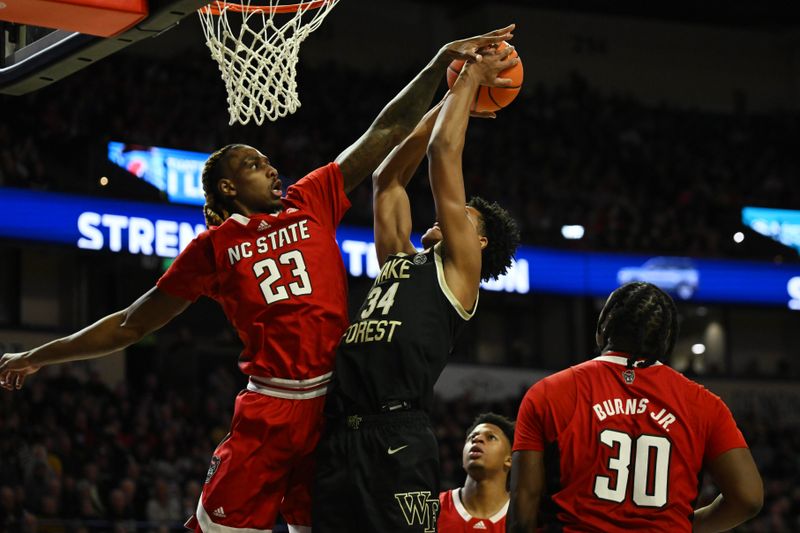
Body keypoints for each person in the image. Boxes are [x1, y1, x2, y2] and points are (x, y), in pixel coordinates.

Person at [0, 25, 517, 533]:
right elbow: (130, 325)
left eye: (268, 161)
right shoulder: (212, 249)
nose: (272, 169)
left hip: (335, 414)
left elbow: (380, 137)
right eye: (255, 164)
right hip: (272, 407)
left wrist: (437, 71)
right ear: (227, 187)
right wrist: (38, 355)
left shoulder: (309, 200)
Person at [312, 43, 521, 532]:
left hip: (398, 436)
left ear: (479, 239)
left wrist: (468, 80)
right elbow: (387, 180)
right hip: (341, 430)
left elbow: (443, 153)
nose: (447, 212)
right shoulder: (402, 261)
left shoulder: (460, 272)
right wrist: (449, 100)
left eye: (463, 213)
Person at [508, 281, 764, 533]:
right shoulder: (705, 404)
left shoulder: (549, 392)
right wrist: (687, 526)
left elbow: (523, 515)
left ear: (602, 329)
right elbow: (748, 498)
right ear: (666, 339)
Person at [438, 413, 515, 533]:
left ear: (509, 460)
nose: (476, 439)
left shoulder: (524, 516)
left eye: (491, 437)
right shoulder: (434, 507)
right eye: (471, 437)